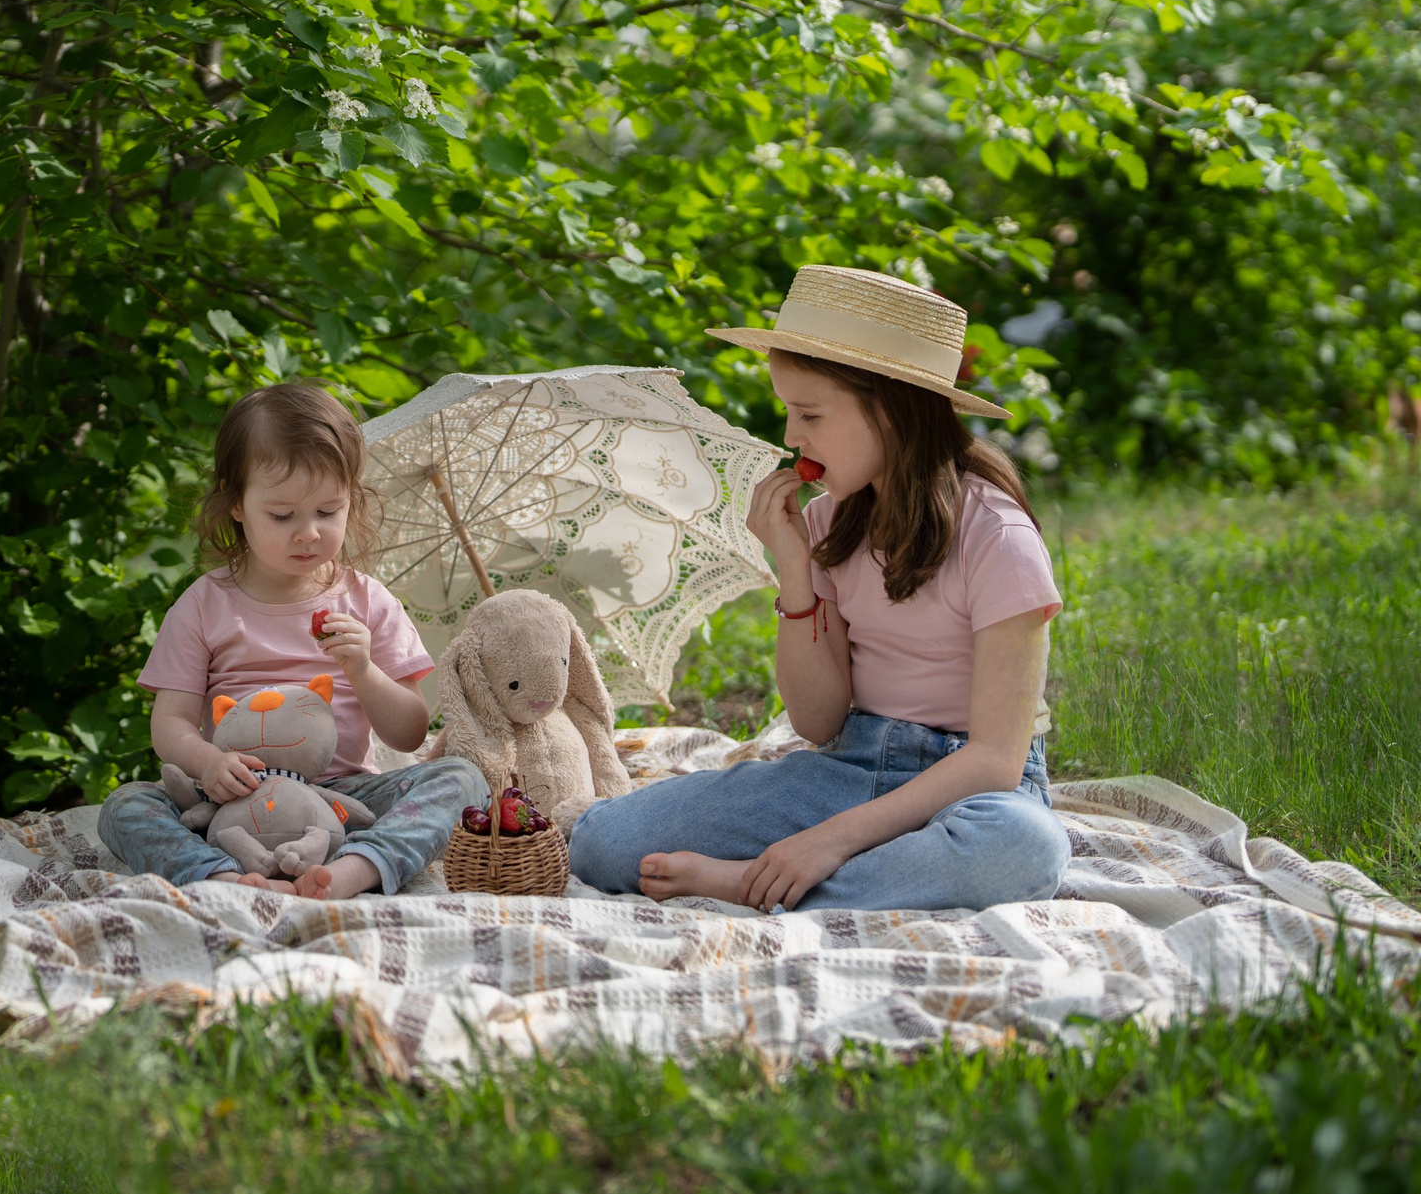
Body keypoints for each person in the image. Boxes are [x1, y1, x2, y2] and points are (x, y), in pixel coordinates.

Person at [569, 264, 1074, 913]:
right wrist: (795, 570)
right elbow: (818, 719)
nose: (790, 437)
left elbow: (995, 761)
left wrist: (826, 843)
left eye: (808, 413)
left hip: (971, 788)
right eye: (788, 411)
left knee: (1022, 846)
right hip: (851, 765)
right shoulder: (828, 523)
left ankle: (755, 882)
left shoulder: (998, 537)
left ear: (892, 410)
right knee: (605, 843)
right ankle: (843, 876)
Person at [98, 382, 487, 898]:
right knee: (126, 805)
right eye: (283, 515)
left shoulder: (367, 601)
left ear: (352, 499)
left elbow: (411, 733)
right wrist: (209, 764)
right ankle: (225, 875)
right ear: (236, 504)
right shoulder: (204, 603)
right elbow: (169, 722)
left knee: (462, 778)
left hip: (343, 802)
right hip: (232, 805)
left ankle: (356, 869)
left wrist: (363, 672)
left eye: (329, 512)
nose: (308, 532)